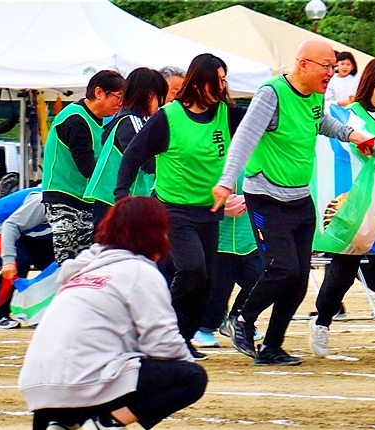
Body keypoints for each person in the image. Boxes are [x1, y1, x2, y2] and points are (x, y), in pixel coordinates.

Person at [212, 40, 372, 366]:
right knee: (282, 269)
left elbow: (319, 122)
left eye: (333, 67)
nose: (331, 73)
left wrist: (352, 135)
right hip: (266, 197)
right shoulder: (271, 94)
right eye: (326, 67)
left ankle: (271, 347)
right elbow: (244, 137)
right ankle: (241, 318)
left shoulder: (315, 94)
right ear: (303, 64)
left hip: (300, 197)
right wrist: (227, 181)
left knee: (298, 282)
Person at [19, 196, 208, 430]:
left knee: (96, 356)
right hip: (83, 380)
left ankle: (62, 424)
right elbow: (162, 342)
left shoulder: (83, 268)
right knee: (191, 378)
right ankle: (109, 423)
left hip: (38, 385)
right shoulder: (140, 272)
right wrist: (185, 366)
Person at [116, 54, 245, 361]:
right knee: (192, 271)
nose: (223, 86)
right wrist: (122, 195)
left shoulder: (226, 115)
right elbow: (133, 155)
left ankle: (181, 340)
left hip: (209, 212)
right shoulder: (169, 116)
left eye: (225, 79)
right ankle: (155, 330)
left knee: (206, 282)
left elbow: (262, 125)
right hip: (173, 210)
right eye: (218, 80)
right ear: (199, 82)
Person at [309, 57, 375, 360]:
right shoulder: (347, 115)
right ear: (368, 84)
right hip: (355, 207)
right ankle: (322, 321)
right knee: (344, 266)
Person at [42, 70, 125, 265]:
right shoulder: (75, 120)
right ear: (99, 92)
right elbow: (88, 168)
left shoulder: (101, 120)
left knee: (88, 262)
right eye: (118, 97)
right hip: (64, 198)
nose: (120, 104)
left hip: (86, 199)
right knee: (69, 263)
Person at [84, 68, 168, 227]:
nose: (160, 106)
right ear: (150, 95)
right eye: (160, 99)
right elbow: (147, 161)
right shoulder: (132, 121)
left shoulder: (121, 119)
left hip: (110, 199)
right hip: (118, 202)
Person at [194, 174, 264, 348]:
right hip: (219, 239)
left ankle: (237, 319)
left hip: (248, 238)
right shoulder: (215, 161)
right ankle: (204, 328)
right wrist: (219, 204)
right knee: (217, 291)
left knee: (262, 279)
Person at [0, 186, 54, 330]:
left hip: (31, 230)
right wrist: (8, 261)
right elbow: (10, 225)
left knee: (58, 263)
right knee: (18, 263)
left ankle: (43, 311)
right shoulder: (44, 200)